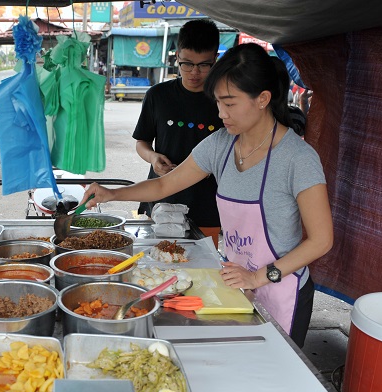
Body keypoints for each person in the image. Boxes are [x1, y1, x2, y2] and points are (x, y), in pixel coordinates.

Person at [83, 43, 333, 347]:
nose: (221, 113)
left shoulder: (298, 158)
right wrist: (111, 194)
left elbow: (321, 240)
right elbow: (164, 186)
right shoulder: (221, 145)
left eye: (229, 103)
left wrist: (259, 277)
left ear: (263, 99)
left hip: (281, 287)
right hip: (233, 281)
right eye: (217, 103)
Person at [133, 19, 223, 238]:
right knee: (158, 266)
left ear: (215, 60)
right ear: (177, 58)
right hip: (162, 198)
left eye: (204, 65)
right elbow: (141, 143)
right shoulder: (157, 95)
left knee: (202, 268)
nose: (194, 72)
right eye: (187, 63)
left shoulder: (224, 99)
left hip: (207, 203)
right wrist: (153, 157)